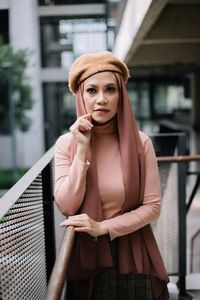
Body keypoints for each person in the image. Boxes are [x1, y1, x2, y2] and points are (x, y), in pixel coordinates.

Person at [54, 51, 169, 300]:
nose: (102, 100)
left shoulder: (140, 143)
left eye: (110, 90)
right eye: (92, 91)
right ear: (80, 96)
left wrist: (103, 227)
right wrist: (82, 148)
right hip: (88, 257)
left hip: (134, 254)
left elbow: (152, 207)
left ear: (121, 96)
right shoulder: (67, 144)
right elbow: (66, 205)